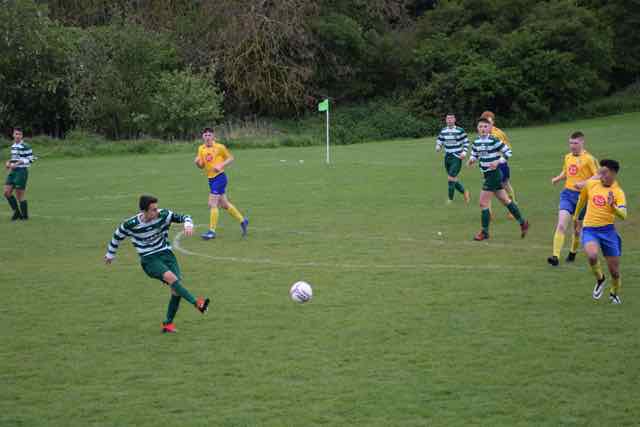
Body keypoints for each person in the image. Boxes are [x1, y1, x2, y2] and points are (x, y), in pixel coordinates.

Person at [104, 195, 210, 333]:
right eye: (153, 210)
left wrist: (188, 224)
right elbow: (117, 236)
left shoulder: (163, 215)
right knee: (172, 279)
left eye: (156, 208)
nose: (157, 211)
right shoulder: (131, 224)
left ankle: (168, 324)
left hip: (167, 255)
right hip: (149, 259)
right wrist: (110, 254)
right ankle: (197, 303)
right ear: (144, 211)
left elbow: (185, 217)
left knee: (176, 290)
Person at [467, 117, 529, 241]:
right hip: (487, 174)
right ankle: (523, 223)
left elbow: (508, 152)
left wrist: (498, 161)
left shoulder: (494, 140)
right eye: (480, 126)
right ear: (477, 128)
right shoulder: (476, 142)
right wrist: (471, 160)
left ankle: (484, 232)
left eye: (485, 126)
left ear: (489, 128)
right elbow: (475, 153)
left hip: (494, 174)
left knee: (483, 202)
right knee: (505, 200)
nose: (483, 129)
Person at [574, 159, 626, 304]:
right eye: (600, 172)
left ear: (613, 173)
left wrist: (613, 207)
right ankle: (600, 278)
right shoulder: (591, 184)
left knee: (615, 272)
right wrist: (576, 218)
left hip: (608, 231)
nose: (600, 175)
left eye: (604, 173)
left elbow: (623, 215)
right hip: (590, 228)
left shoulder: (618, 192)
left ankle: (614, 293)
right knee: (592, 255)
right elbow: (581, 201)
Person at [548, 132, 599, 266]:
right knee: (561, 225)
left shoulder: (589, 159)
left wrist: (584, 183)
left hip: (583, 198)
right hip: (567, 195)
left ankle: (572, 252)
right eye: (570, 143)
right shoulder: (568, 157)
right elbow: (567, 172)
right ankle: (555, 256)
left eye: (575, 143)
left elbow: (598, 176)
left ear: (582, 142)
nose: (572, 146)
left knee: (577, 230)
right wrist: (558, 178)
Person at [195, 127, 249, 240]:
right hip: (211, 179)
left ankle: (212, 232)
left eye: (209, 135)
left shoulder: (219, 147)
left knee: (212, 203)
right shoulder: (201, 148)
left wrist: (221, 165)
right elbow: (202, 165)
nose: (207, 137)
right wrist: (197, 163)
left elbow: (230, 158)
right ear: (203, 137)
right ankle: (243, 220)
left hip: (220, 177)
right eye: (205, 135)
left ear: (213, 136)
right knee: (224, 204)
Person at [480, 111, 516, 219]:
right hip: (488, 165)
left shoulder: (499, 133)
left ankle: (513, 208)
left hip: (500, 164)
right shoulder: (482, 133)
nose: (487, 125)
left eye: (489, 122)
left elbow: (508, 148)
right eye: (485, 122)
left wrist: (500, 159)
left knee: (505, 185)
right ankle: (489, 213)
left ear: (493, 122)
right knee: (488, 188)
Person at [435, 113, 471, 204]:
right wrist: (438, 146)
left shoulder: (460, 130)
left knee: (451, 177)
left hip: (457, 157)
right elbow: (440, 140)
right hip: (447, 157)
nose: (449, 120)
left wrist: (464, 152)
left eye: (451, 118)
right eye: (448, 118)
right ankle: (464, 192)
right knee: (452, 178)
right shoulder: (443, 131)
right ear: (446, 120)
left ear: (455, 120)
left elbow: (466, 142)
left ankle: (450, 199)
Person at [4, 127, 35, 220]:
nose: (17, 136)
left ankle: (25, 216)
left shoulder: (26, 146)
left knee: (19, 196)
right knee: (7, 192)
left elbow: (31, 159)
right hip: (13, 171)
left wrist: (18, 163)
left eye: (19, 134)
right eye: (16, 134)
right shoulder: (13, 146)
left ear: (22, 136)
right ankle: (17, 212)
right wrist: (8, 163)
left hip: (21, 172)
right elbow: (14, 158)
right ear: (13, 135)